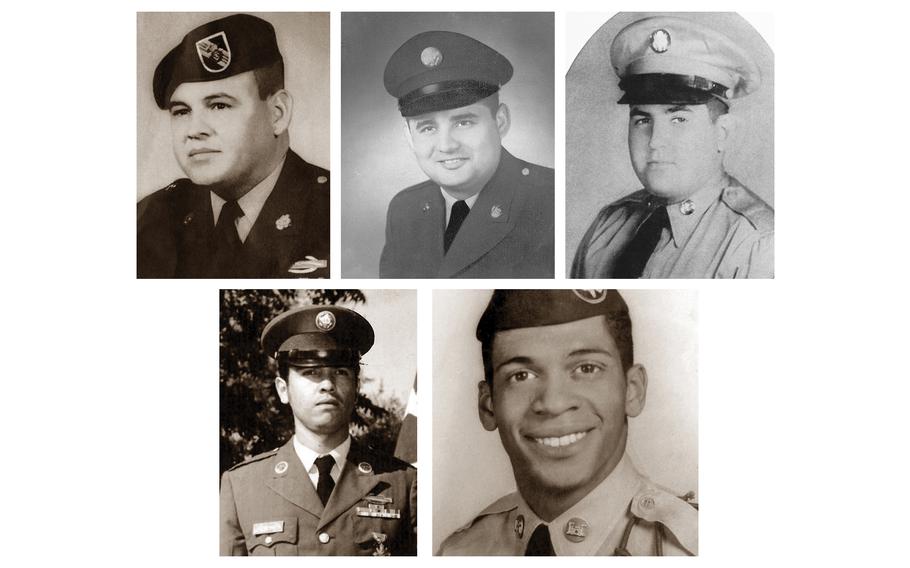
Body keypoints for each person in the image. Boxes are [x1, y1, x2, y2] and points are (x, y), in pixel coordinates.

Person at [438, 289, 697, 556]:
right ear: (488, 404)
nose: (553, 403)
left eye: (586, 369)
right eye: (521, 375)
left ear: (632, 390)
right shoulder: (459, 552)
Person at [571, 16, 773, 278]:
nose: (655, 140)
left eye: (679, 119)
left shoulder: (760, 246)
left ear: (721, 132)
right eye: (643, 120)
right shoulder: (607, 226)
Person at [137, 14, 330, 278]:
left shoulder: (332, 212)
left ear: (277, 113)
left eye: (219, 105)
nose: (194, 131)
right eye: (181, 111)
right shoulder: (150, 219)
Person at [220, 306, 417, 555]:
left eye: (340, 372)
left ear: (356, 388)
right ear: (283, 389)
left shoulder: (403, 483)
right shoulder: (241, 487)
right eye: (310, 372)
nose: (327, 384)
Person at [379, 31, 554, 278]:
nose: (446, 145)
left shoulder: (550, 200)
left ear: (500, 121)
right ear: (410, 137)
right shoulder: (404, 210)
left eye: (463, 123)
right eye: (427, 128)